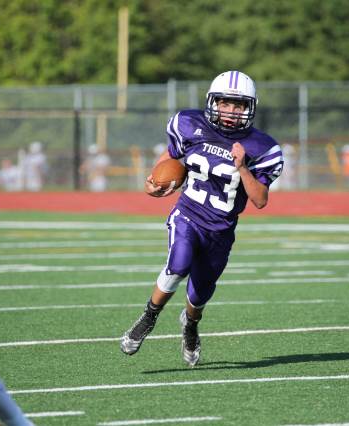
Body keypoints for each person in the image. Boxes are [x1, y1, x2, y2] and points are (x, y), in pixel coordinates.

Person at [120, 71, 283, 366]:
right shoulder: (189, 124)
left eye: (238, 106)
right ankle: (149, 317)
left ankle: (191, 325)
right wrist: (153, 181)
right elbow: (171, 156)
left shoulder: (262, 147)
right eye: (225, 103)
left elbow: (260, 200)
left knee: (199, 294)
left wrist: (242, 167)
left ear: (250, 108)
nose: (231, 111)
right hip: (188, 214)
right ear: (213, 102)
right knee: (178, 264)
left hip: (221, 229)